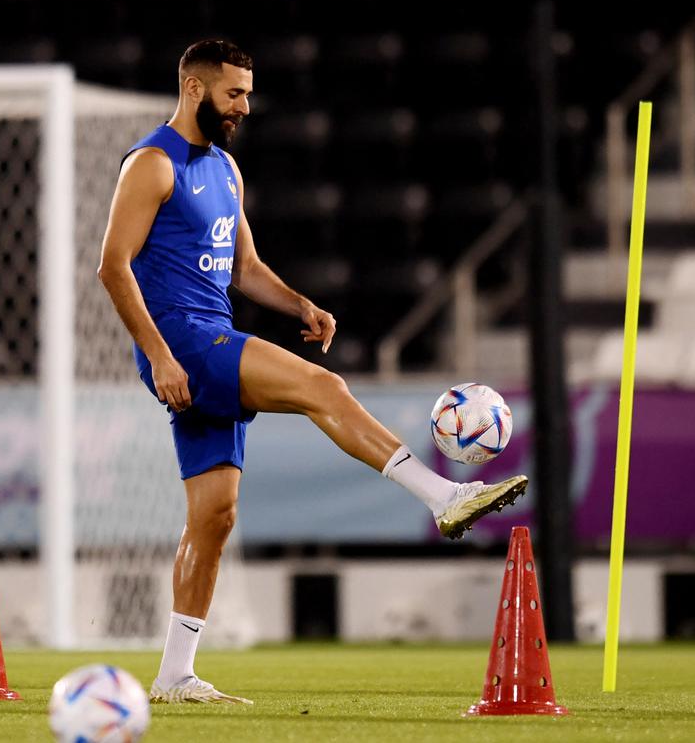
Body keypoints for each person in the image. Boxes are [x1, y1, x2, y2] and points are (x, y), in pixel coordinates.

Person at [97, 39, 528, 705]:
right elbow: (112, 266)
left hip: (207, 337)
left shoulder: (227, 171)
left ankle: (175, 674)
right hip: (185, 341)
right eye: (234, 93)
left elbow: (245, 268)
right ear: (194, 90)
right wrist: (158, 355)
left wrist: (300, 303)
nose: (245, 105)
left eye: (247, 92)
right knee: (323, 389)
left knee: (214, 516)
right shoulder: (154, 164)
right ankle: (445, 498)